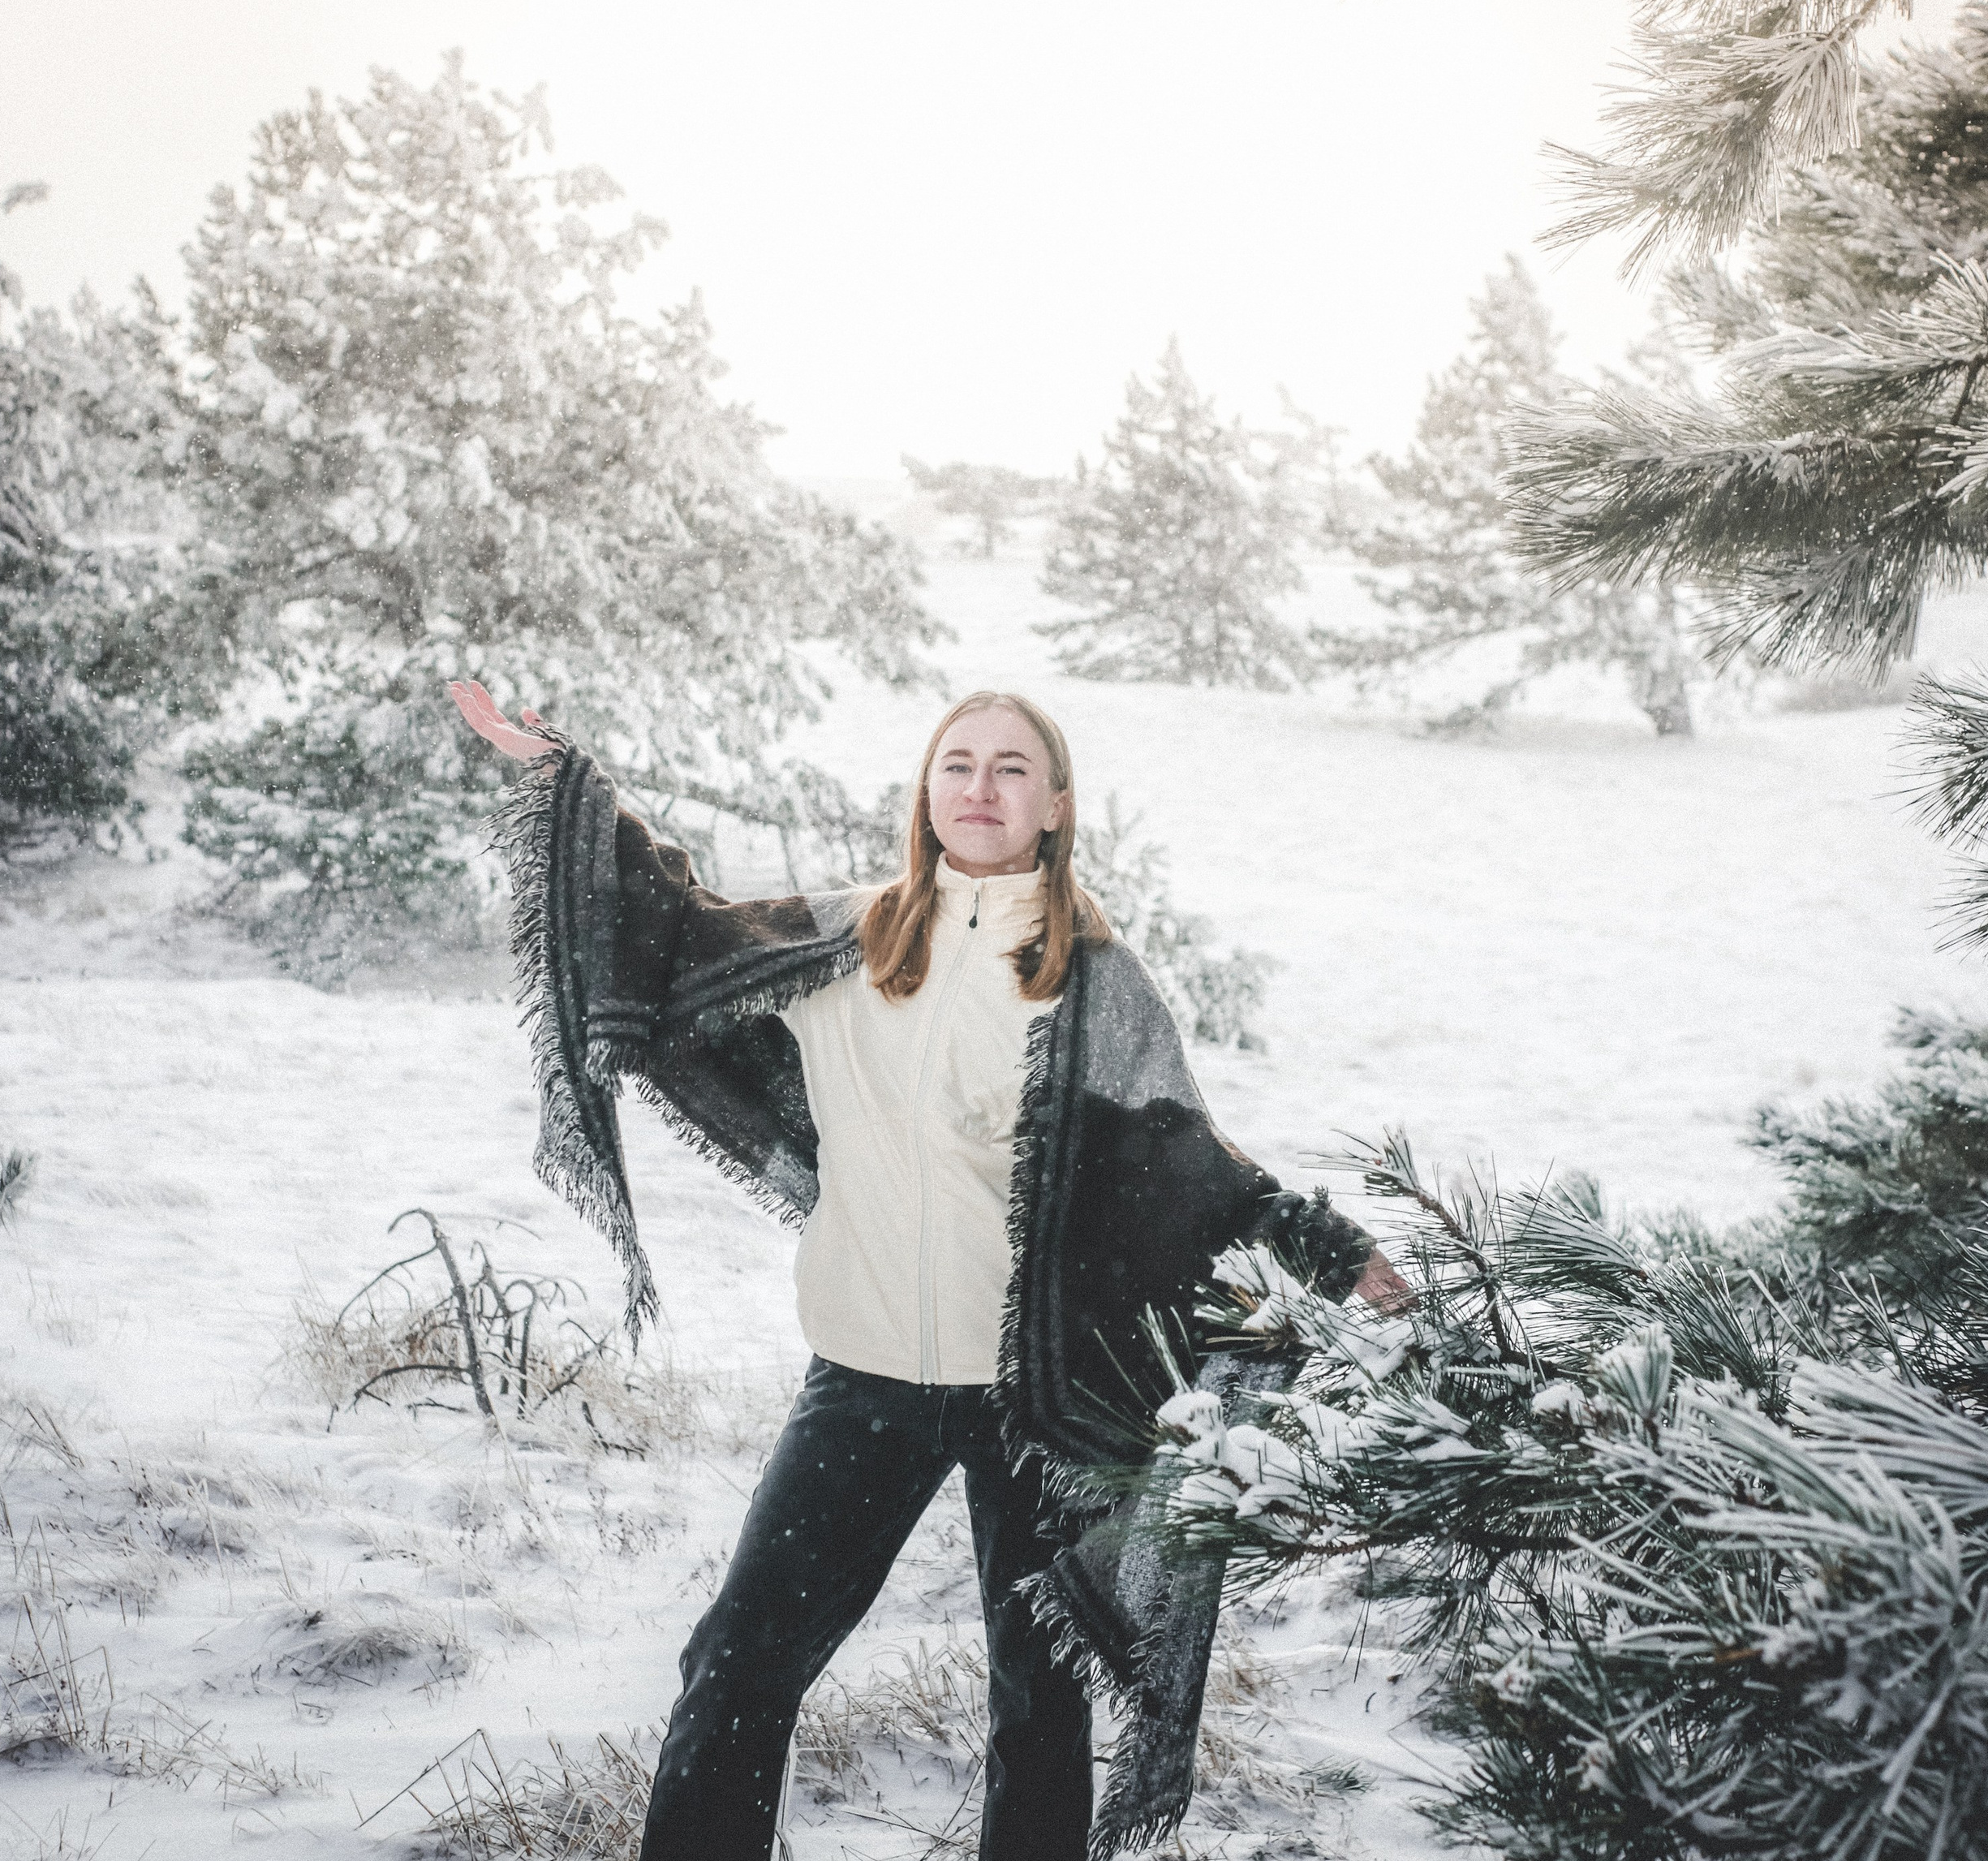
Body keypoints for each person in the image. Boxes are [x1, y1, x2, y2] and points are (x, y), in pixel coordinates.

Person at [450, 678, 1411, 1860]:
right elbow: (673, 923)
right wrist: (566, 776)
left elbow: (1187, 1164)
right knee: (741, 1660)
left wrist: (1331, 1248)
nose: (981, 787)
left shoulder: (1091, 979)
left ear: (1055, 805)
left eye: (1012, 768)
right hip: (863, 1378)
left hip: (1036, 1398)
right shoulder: (848, 938)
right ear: (927, 792)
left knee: (1038, 1698)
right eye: (958, 764)